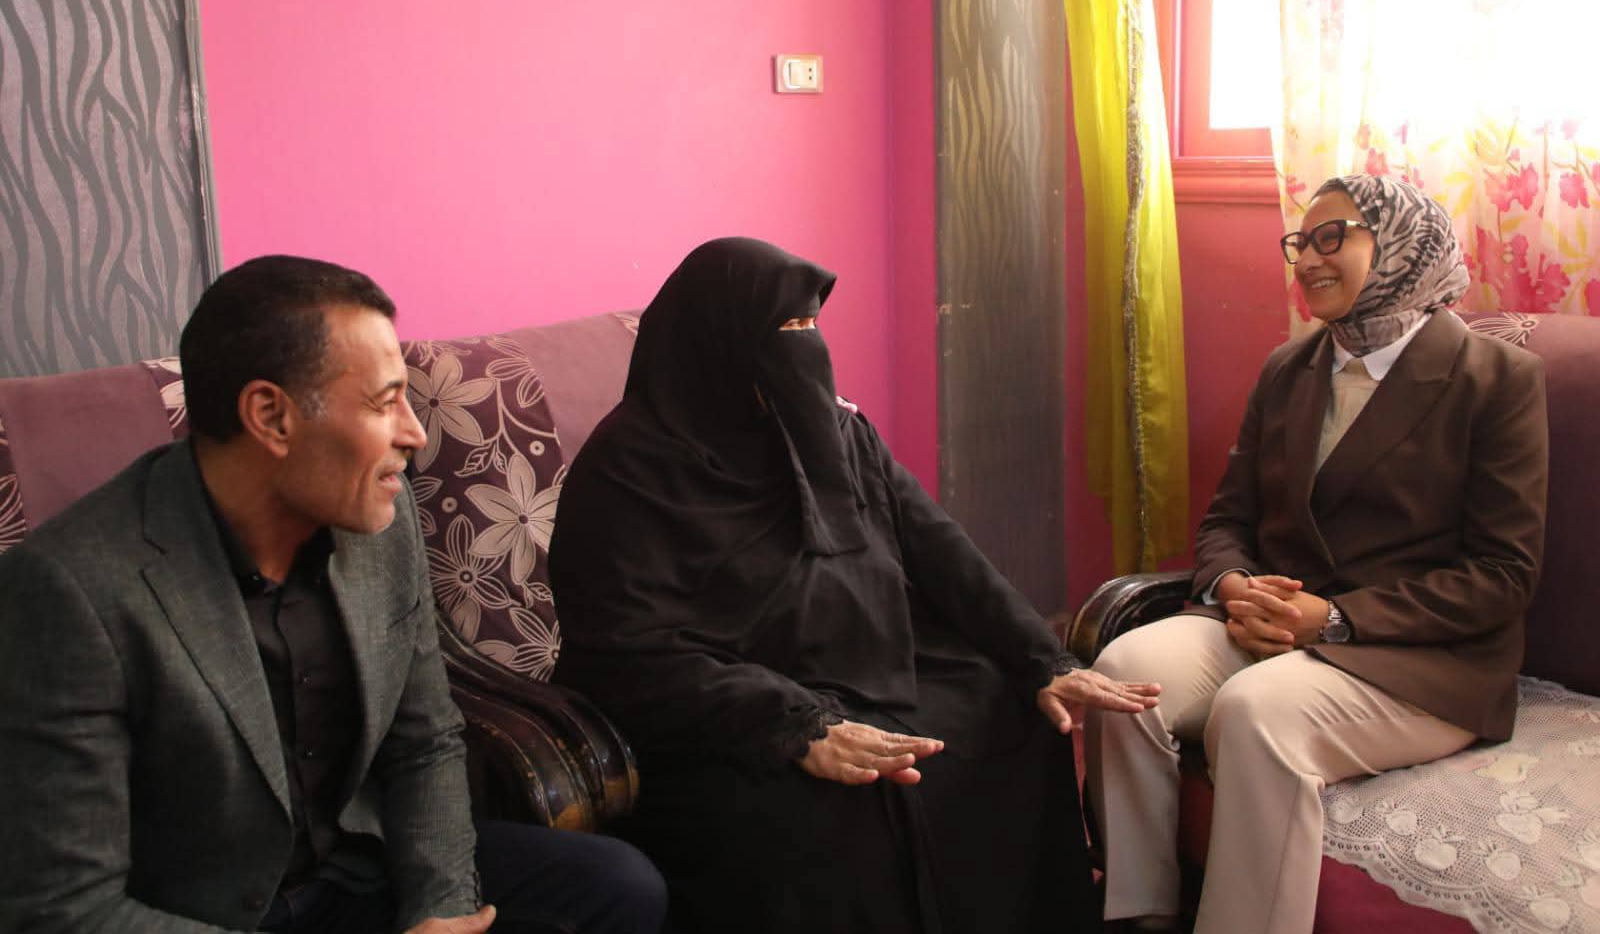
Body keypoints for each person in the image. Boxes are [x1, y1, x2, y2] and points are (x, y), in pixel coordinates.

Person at [0, 256, 667, 934]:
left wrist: (440, 911)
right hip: (208, 913)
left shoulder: (380, 516)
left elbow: (425, 741)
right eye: (383, 402)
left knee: (616, 888)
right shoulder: (69, 589)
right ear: (271, 416)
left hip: (358, 867)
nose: (414, 434)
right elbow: (64, 907)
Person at [548, 237, 1161, 934]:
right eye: (786, 329)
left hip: (866, 659)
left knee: (1018, 711)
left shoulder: (830, 425)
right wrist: (791, 721)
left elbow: (937, 545)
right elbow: (629, 646)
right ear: (716, 342)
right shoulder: (627, 470)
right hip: (721, 702)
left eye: (812, 325)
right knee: (840, 802)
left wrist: (1042, 658)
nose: (806, 349)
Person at [1083, 175, 1549, 934]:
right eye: (1301, 241)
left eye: (1333, 237)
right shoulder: (1288, 368)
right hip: (1271, 624)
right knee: (1121, 675)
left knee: (1255, 712)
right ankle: (1142, 910)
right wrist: (1233, 584)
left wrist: (1330, 618)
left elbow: (1503, 575)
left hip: (1420, 657)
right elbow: (1229, 515)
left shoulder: (1495, 379)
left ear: (1401, 245)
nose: (1306, 260)